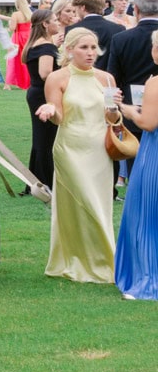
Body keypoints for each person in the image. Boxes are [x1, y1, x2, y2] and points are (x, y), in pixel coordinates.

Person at [37, 28, 120, 284]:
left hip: (99, 149)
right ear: (70, 49)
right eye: (84, 47)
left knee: (100, 204)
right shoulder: (58, 77)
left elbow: (114, 119)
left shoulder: (106, 79)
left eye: (93, 48)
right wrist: (51, 109)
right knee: (81, 203)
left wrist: (114, 109)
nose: (90, 53)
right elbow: (60, 117)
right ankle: (80, 259)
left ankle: (106, 261)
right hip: (71, 148)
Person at [116, 38, 158, 299]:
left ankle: (148, 277)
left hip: (154, 153)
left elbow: (148, 123)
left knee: (146, 214)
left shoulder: (154, 82)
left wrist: (129, 110)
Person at [22, 11, 63, 188]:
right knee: (46, 138)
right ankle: (45, 179)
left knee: (40, 137)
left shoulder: (37, 44)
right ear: (45, 24)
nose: (58, 23)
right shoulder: (46, 46)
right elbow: (45, 73)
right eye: (54, 20)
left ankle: (36, 178)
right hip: (44, 94)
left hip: (36, 92)